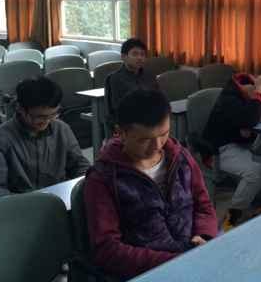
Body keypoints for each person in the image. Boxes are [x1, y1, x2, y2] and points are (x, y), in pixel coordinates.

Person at [85, 89, 218, 280]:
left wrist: (205, 236)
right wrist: (174, 262)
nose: (157, 146)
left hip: (195, 256)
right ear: (121, 133)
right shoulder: (103, 178)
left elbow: (203, 205)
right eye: (144, 140)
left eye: (164, 134)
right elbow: (107, 249)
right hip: (151, 271)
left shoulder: (181, 158)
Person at [202, 74, 261, 230]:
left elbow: (250, 123)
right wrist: (260, 100)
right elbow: (249, 120)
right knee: (257, 171)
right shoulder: (230, 98)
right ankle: (231, 218)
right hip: (219, 149)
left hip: (240, 144)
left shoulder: (247, 97)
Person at [0, 77, 90, 198]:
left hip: (60, 199)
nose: (47, 121)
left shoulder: (61, 129)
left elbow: (80, 166)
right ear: (20, 109)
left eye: (53, 114)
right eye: (40, 117)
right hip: (20, 205)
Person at [106, 38, 159, 134]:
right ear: (123, 57)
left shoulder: (150, 75)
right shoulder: (115, 78)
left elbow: (158, 99)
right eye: (135, 54)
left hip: (149, 120)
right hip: (128, 123)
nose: (140, 58)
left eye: (142, 54)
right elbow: (117, 109)